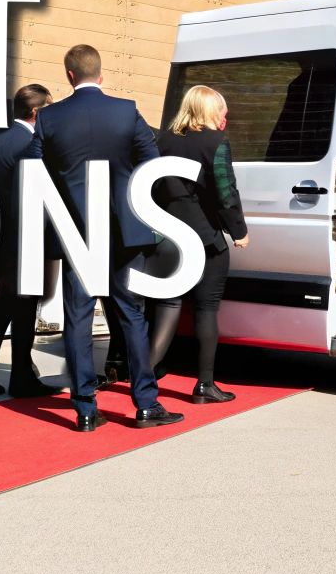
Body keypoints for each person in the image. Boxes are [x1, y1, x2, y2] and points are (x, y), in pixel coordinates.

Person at [29, 44, 184, 432]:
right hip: (121, 232)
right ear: (101, 75)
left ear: (68, 75)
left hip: (76, 230)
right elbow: (152, 165)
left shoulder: (48, 118)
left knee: (78, 320)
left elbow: (32, 173)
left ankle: (84, 409)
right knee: (131, 316)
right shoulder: (126, 111)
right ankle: (146, 404)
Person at [144, 85, 249, 404]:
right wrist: (238, 231)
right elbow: (225, 191)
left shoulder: (163, 140)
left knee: (167, 306)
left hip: (168, 237)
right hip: (205, 239)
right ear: (208, 111)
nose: (225, 115)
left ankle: (145, 374)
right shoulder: (216, 142)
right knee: (206, 308)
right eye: (221, 109)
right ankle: (204, 385)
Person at [0, 83, 63, 399]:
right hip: (23, 240)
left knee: (4, 306)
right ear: (37, 112)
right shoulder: (28, 145)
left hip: (0, 239)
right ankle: (20, 377)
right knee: (22, 311)